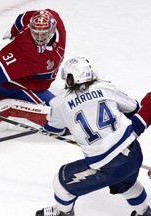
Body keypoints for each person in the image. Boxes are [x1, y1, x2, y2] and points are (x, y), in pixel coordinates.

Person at [36, 57, 151, 216]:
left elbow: (53, 128)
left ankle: (62, 213)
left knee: (61, 183)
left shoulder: (59, 103)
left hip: (107, 165)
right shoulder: (105, 87)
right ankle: (144, 213)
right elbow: (134, 108)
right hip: (134, 153)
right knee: (127, 184)